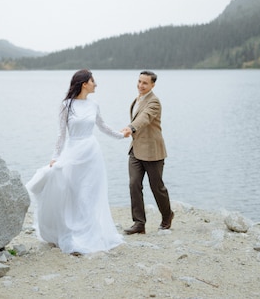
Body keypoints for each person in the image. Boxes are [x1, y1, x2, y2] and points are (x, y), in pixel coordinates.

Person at [25, 69, 127, 254]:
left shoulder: (94, 105)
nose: (96, 84)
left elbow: (103, 126)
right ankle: (69, 230)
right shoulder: (66, 105)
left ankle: (90, 231)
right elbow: (61, 134)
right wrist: (55, 157)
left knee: (89, 193)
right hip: (73, 153)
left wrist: (121, 135)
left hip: (92, 154)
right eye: (93, 80)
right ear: (84, 83)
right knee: (71, 191)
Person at [121, 70, 173, 235]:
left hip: (152, 151)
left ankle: (167, 216)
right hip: (135, 151)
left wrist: (131, 127)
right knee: (134, 184)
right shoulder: (137, 99)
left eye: (145, 83)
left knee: (157, 187)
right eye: (139, 81)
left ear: (152, 85)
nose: (140, 85)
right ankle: (139, 223)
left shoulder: (154, 102)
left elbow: (145, 117)